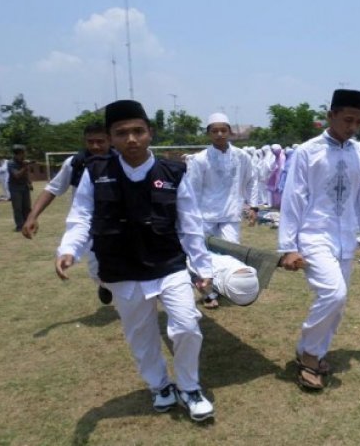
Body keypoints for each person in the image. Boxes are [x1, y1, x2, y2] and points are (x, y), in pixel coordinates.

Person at [55, 100, 215, 421]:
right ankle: (160, 387)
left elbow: (190, 224)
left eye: (138, 131)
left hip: (168, 264)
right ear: (111, 137)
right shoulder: (96, 173)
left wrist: (202, 267)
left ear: (149, 133)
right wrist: (69, 249)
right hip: (122, 269)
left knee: (186, 325)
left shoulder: (173, 172)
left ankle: (189, 386)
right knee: (141, 336)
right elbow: (83, 215)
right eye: (122, 133)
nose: (131, 139)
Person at [278, 89, 360, 390]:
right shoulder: (308, 151)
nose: (353, 127)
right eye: (348, 119)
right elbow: (293, 198)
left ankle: (317, 351)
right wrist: (288, 247)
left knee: (339, 302)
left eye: (359, 122)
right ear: (331, 115)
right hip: (313, 235)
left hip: (346, 237)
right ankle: (309, 354)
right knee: (333, 293)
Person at [186, 112, 258, 308]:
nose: (219, 134)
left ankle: (223, 286)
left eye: (223, 130)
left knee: (230, 253)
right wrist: (189, 216)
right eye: (214, 130)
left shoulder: (242, 156)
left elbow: (252, 180)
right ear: (208, 133)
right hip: (205, 215)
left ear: (230, 132)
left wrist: (253, 206)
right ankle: (208, 294)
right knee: (199, 255)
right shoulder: (200, 159)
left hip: (230, 214)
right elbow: (191, 189)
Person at [22, 124, 111, 238]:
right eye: (90, 142)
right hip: (85, 224)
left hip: (115, 225)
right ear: (84, 141)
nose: (95, 146)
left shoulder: (121, 161)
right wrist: (32, 217)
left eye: (100, 141)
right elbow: (52, 189)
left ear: (110, 140)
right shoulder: (74, 163)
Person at [8, 145, 34, 231]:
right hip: (15, 187)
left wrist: (29, 183)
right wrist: (25, 167)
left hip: (24, 186)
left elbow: (26, 174)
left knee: (27, 207)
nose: (25, 155)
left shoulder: (23, 162)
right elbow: (16, 175)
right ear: (18, 154)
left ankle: (28, 224)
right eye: (23, 153)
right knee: (18, 208)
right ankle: (20, 226)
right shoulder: (11, 163)